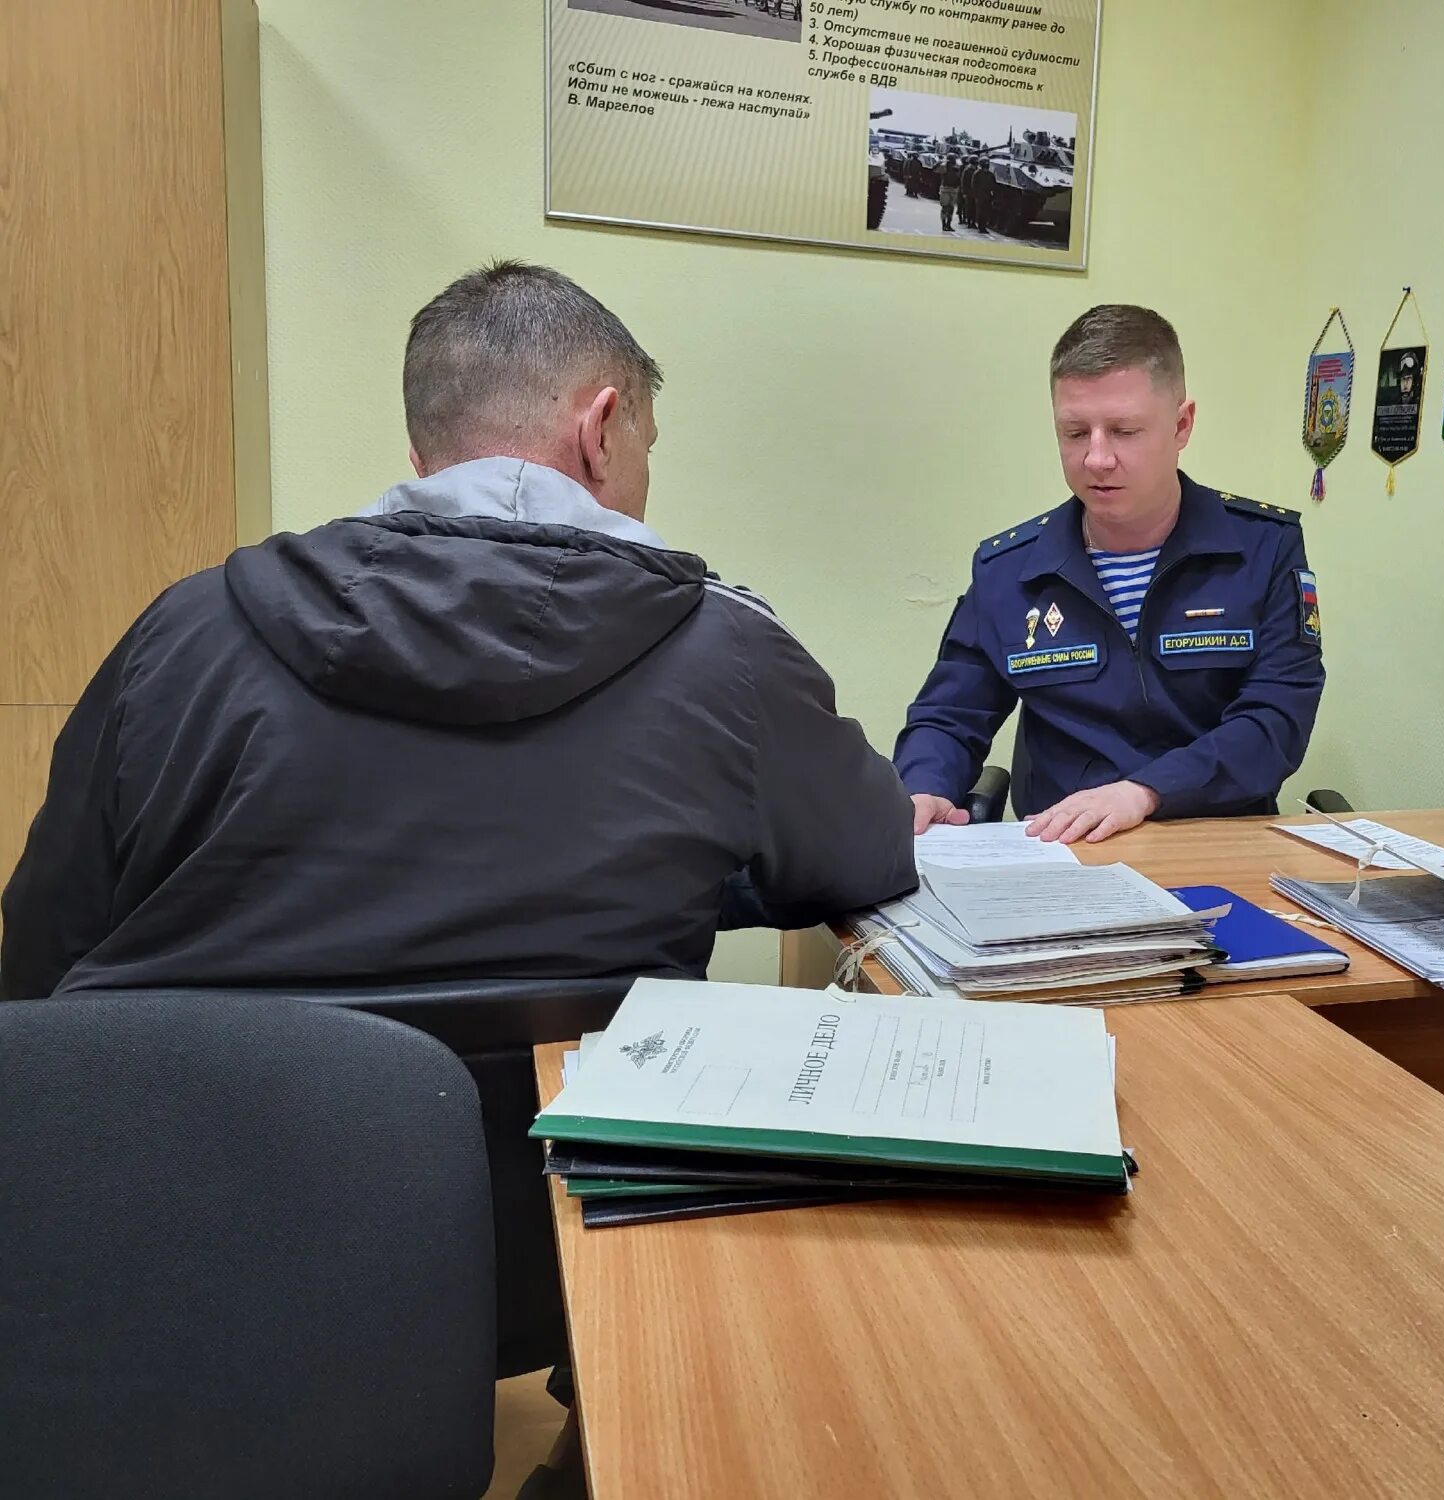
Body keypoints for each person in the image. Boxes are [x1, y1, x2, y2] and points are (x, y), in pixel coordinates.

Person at [1, 260, 916, 998]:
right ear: (602, 432)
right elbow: (864, 854)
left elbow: (46, 945)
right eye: (646, 445)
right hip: (575, 1200)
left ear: (422, 456)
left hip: (198, 1198)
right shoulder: (727, 651)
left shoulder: (183, 632)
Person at [895, 304, 1325, 844]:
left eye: (1123, 431)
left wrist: (1144, 792)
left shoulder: (1262, 548)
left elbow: (1276, 721)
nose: (1097, 459)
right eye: (1075, 433)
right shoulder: (1010, 570)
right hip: (1064, 851)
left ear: (1181, 424)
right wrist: (925, 786)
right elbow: (950, 714)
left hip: (1215, 840)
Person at [939, 152, 964, 232]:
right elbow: (936, 169)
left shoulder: (957, 167)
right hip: (946, 189)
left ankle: (948, 224)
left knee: (951, 208)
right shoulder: (944, 166)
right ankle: (944, 224)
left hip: (953, 189)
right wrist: (942, 162)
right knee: (945, 207)